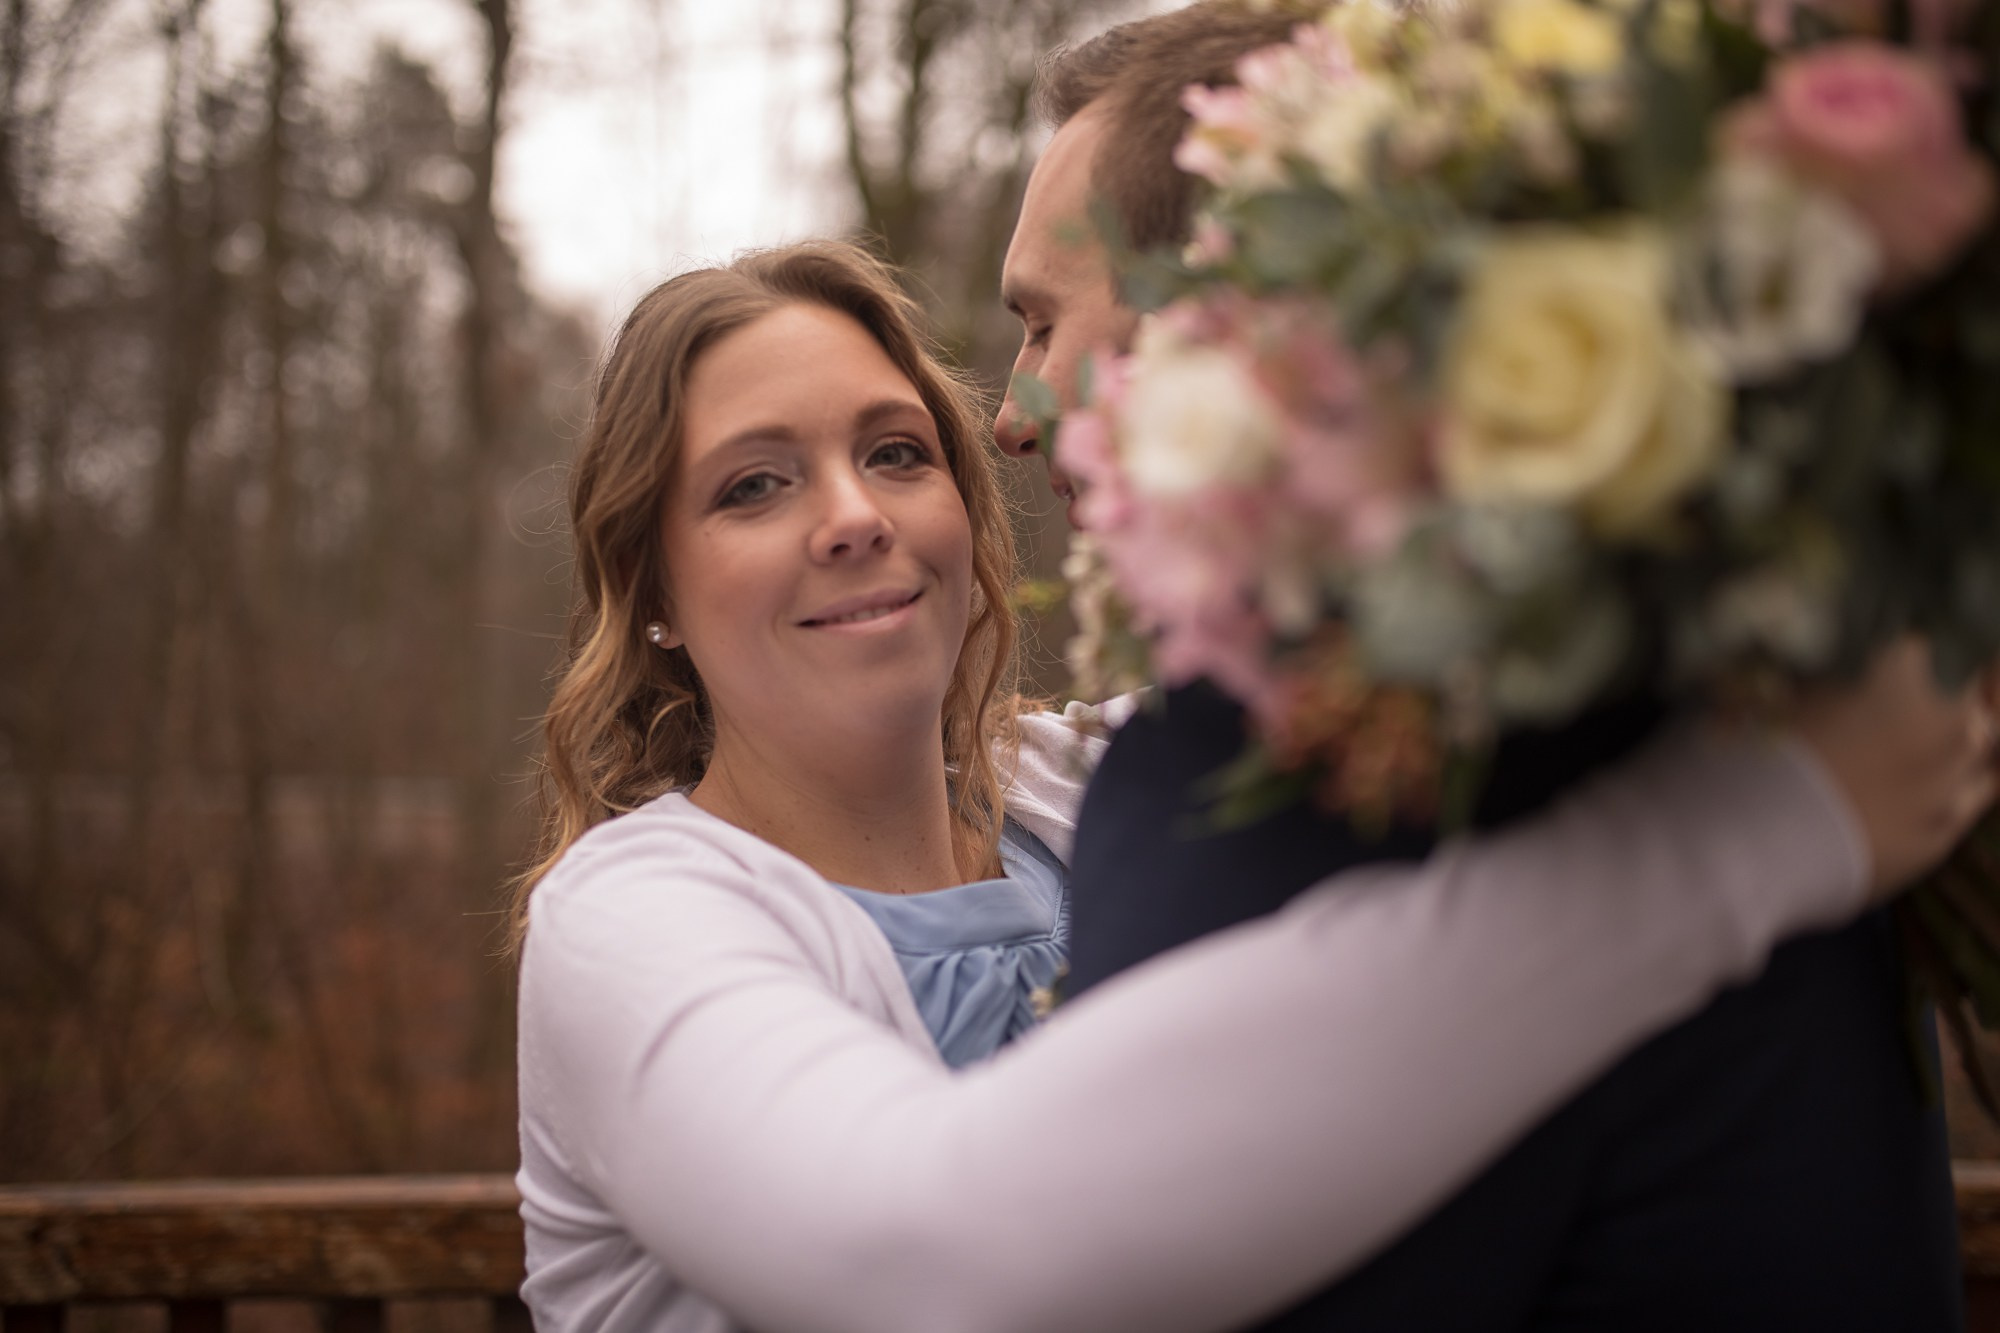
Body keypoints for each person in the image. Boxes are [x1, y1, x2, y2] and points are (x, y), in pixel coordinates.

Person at [512, 238, 1991, 1333]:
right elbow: (932, 1263)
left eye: (896, 454)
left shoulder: (1108, 784)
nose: (853, 516)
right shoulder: (634, 921)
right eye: (755, 484)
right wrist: (1760, 838)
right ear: (652, 588)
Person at [991, 4, 2000, 1329]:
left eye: (1039, 323)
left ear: (1210, 318)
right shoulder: (1766, 706)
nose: (1009, 413)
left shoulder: (1268, 780)